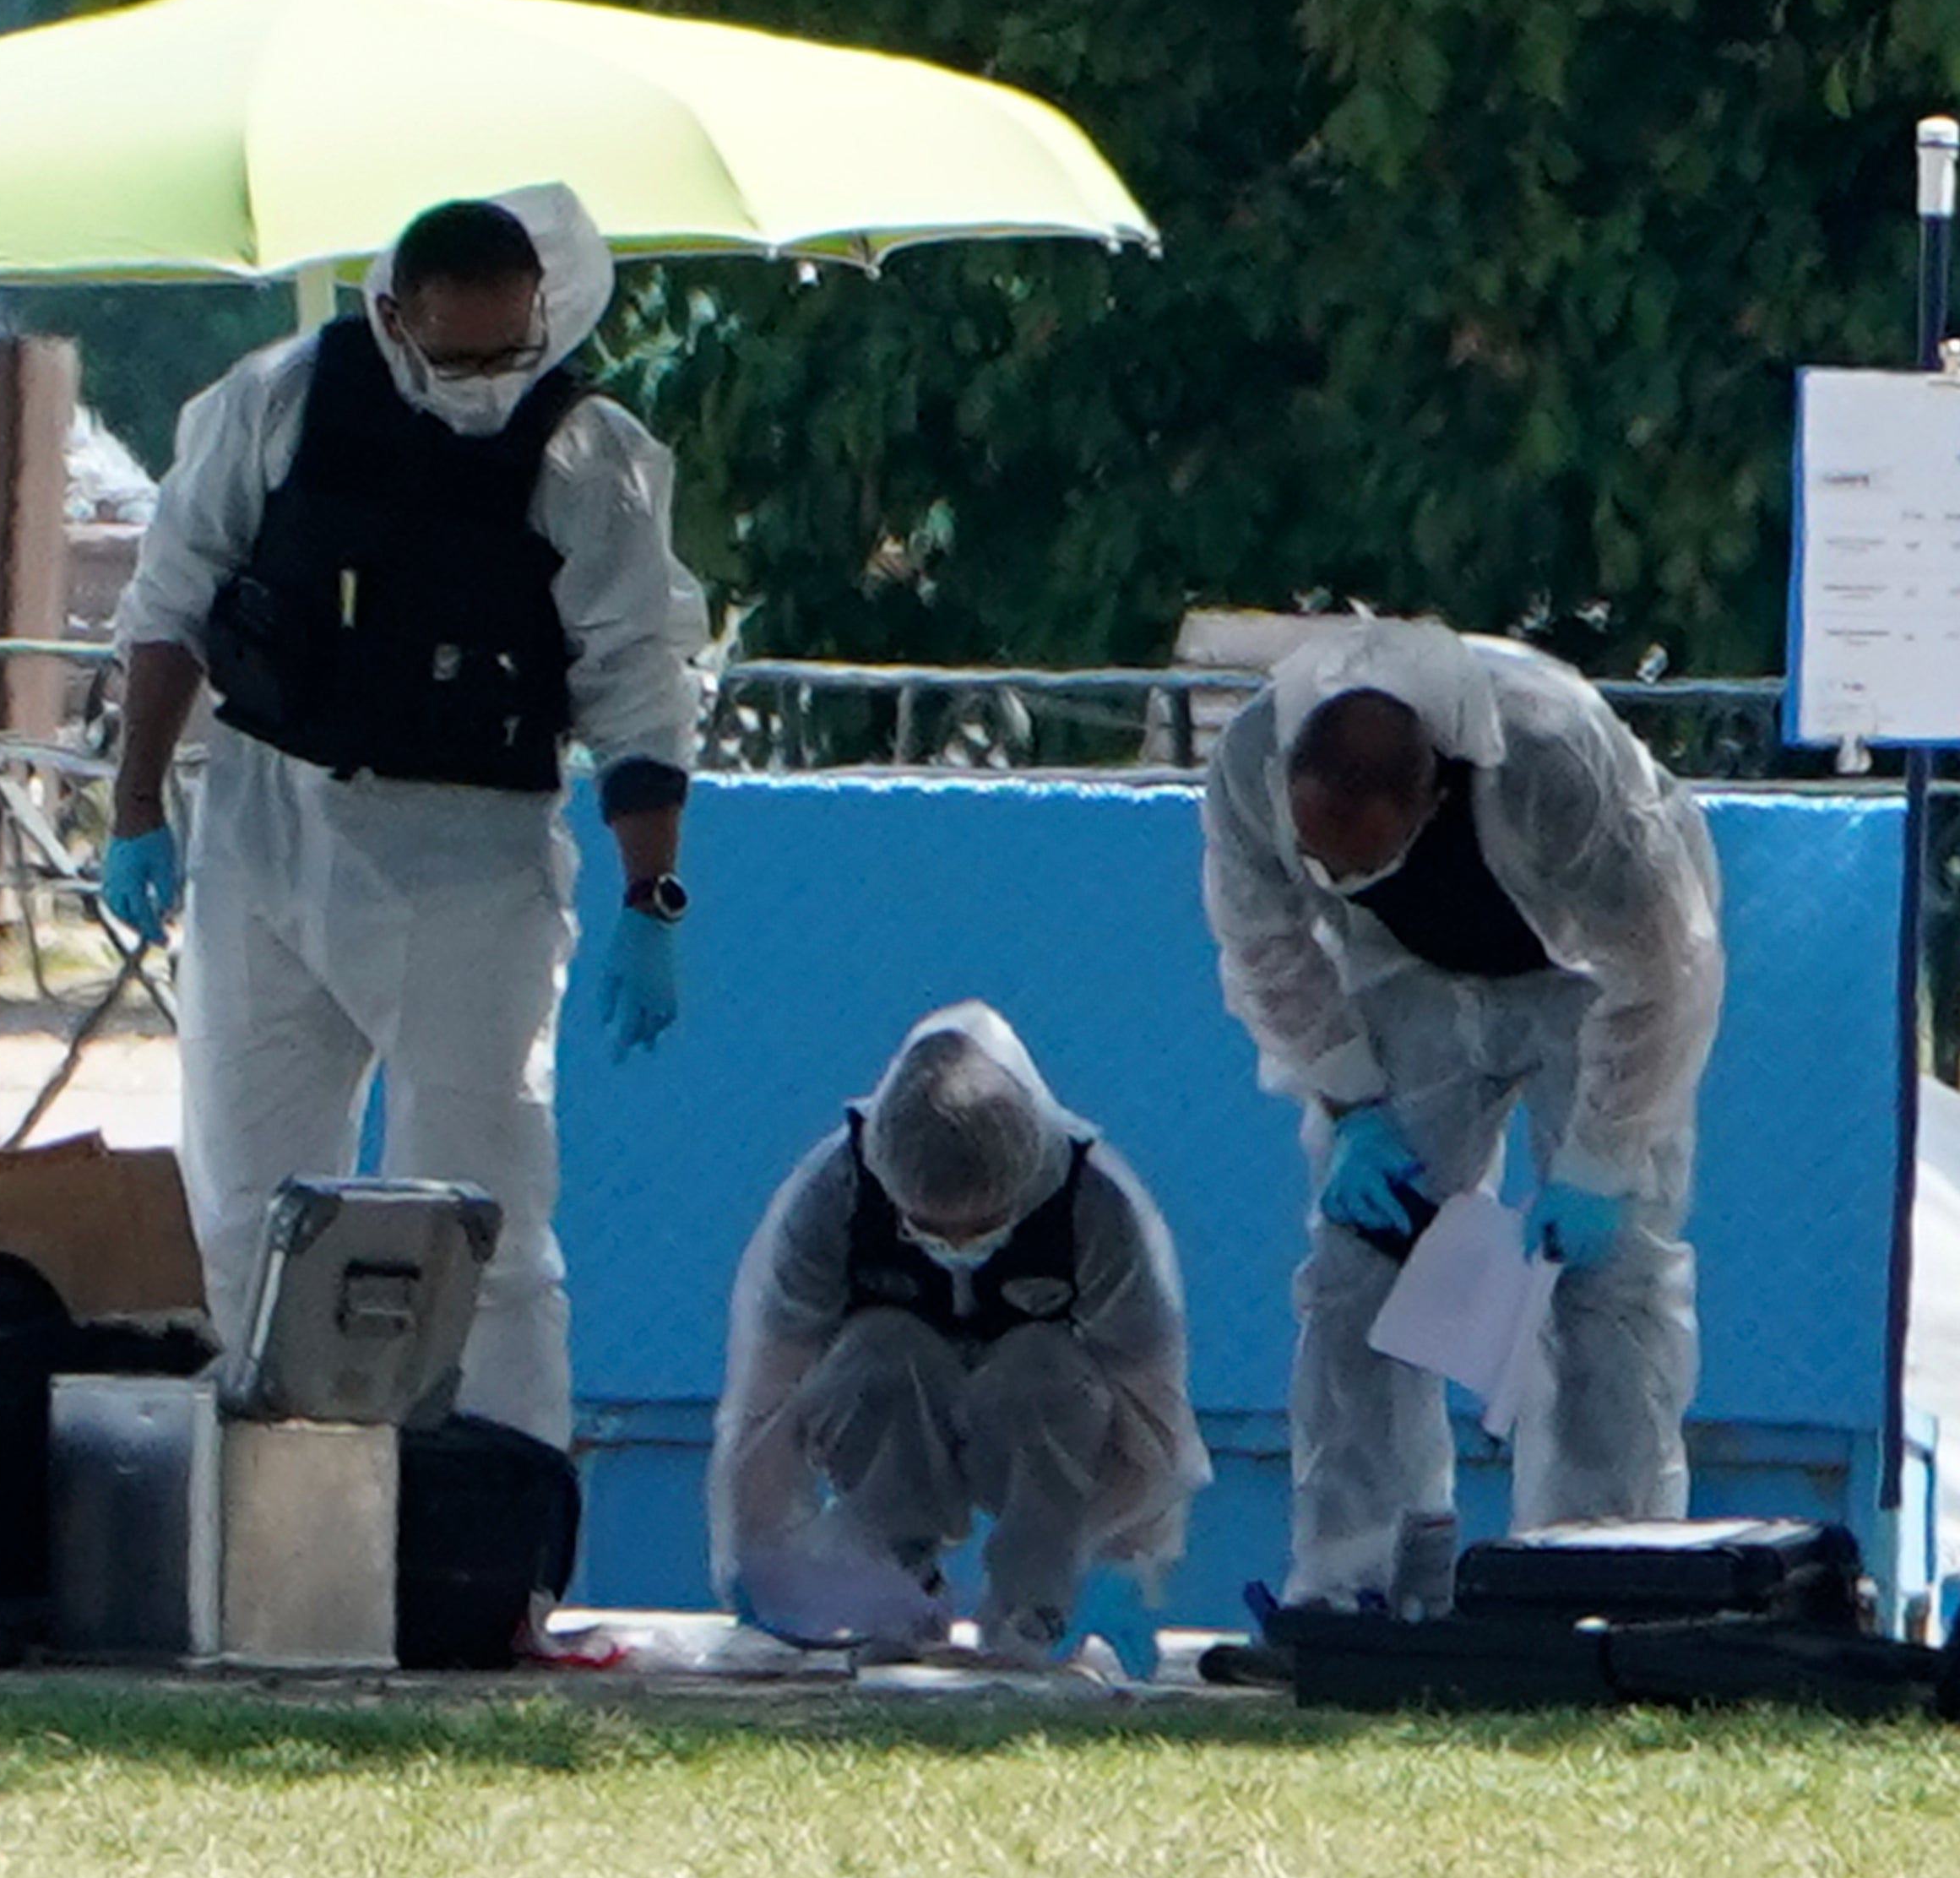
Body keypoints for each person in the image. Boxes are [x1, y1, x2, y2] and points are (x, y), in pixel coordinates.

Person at [100, 185, 708, 1446]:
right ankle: (271, 1508)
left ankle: (503, 1518)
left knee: (481, 1209)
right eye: (458, 352)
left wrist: (654, 894)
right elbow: (172, 603)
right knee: (247, 1199)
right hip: (270, 819)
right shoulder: (274, 401)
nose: (488, 380)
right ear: (392, 314)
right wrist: (136, 806)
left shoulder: (591, 456)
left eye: (513, 349)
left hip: (469, 856)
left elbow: (637, 689)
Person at [1202, 615, 1725, 1607]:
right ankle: (1359, 1579)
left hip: (1590, 976)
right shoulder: (1245, 762)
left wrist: (1601, 1160)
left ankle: (1593, 1578)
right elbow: (1266, 944)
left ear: (1434, 791)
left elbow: (1663, 970)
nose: (1334, 881)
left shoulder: (1551, 759)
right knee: (1361, 1271)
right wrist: (1349, 1100)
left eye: (1362, 858)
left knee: (1604, 1286)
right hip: (1403, 975)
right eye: (1320, 858)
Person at [709, 1003, 1208, 1662]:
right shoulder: (833, 1195)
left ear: (1029, 1175)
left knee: (1045, 1373)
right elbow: (768, 1393)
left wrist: (1132, 1563)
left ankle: (1039, 1607)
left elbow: (1152, 1407)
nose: (956, 1245)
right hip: (889, 1396)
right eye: (928, 1225)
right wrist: (759, 1558)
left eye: (985, 1223)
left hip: (1038, 1418)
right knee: (876, 1359)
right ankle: (891, 1589)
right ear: (888, 1179)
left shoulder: (1098, 1208)